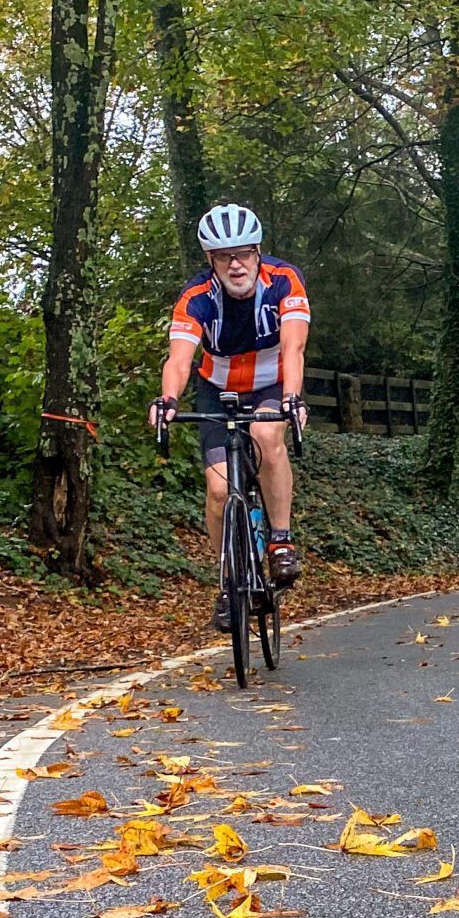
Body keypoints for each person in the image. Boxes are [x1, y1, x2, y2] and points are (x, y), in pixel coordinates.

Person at [150, 203, 311, 633]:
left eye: (243, 253)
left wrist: (292, 397)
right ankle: (228, 583)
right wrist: (167, 399)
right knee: (219, 489)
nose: (235, 264)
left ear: (258, 253)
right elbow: (179, 360)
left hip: (271, 384)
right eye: (224, 256)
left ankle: (280, 541)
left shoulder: (284, 282)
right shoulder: (197, 297)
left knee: (265, 434)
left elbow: (294, 348)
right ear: (211, 261)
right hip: (217, 390)